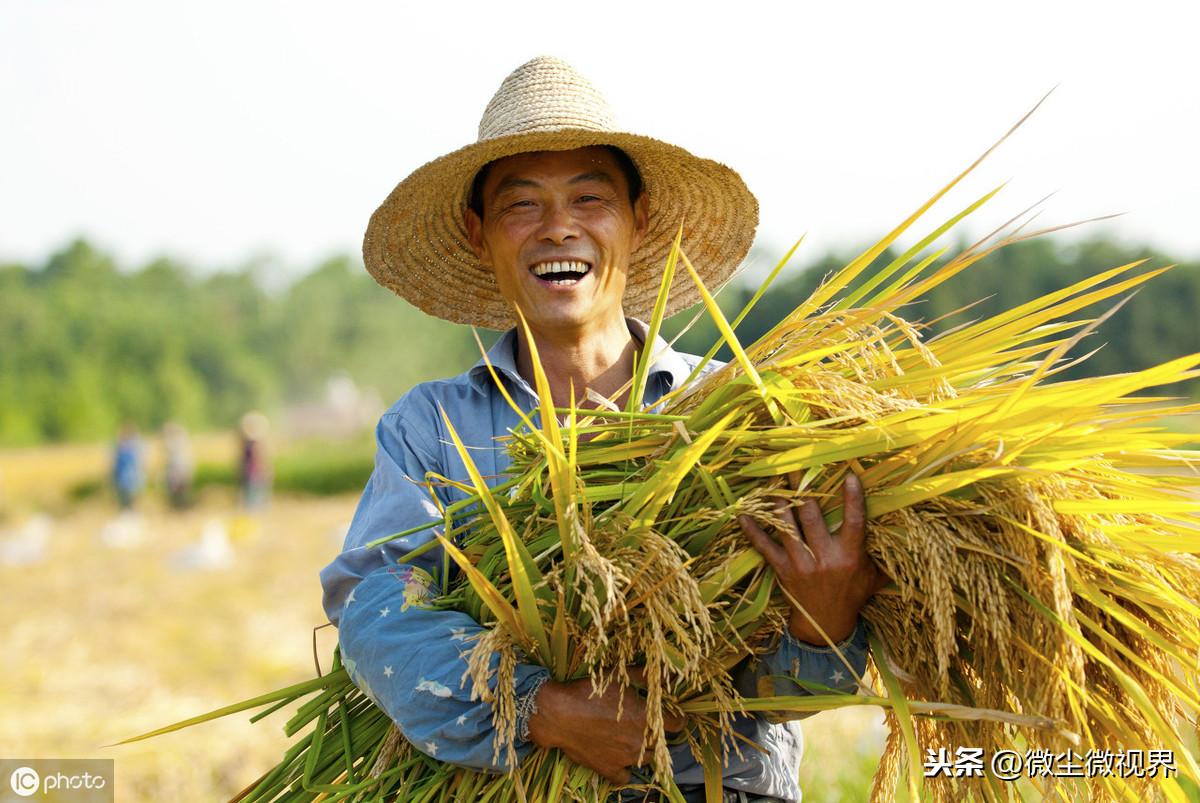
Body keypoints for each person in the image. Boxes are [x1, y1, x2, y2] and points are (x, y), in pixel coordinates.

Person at [320, 57, 886, 802]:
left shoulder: (741, 412)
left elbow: (791, 693)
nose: (559, 226)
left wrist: (825, 622)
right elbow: (376, 611)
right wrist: (542, 710)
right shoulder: (432, 430)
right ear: (478, 230)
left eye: (590, 196)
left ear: (638, 218)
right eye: (522, 205)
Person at [238, 411, 272, 510]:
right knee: (253, 500)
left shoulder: (252, 444)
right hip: (253, 474)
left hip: (255, 474)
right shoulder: (250, 443)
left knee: (254, 500)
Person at [161, 421, 194, 510]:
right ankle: (180, 506)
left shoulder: (175, 443)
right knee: (179, 491)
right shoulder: (183, 442)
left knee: (178, 490)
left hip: (178, 470)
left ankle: (180, 506)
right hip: (180, 470)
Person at [112, 421, 144, 510]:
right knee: (127, 495)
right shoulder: (121, 446)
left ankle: (129, 508)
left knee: (129, 495)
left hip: (129, 475)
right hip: (126, 475)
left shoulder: (127, 446)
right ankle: (128, 509)